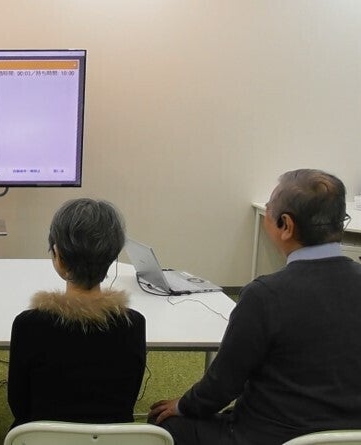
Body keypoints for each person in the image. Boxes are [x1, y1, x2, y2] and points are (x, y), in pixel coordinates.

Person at [149, 169, 361, 445]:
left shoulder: (264, 296)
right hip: (351, 437)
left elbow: (222, 387)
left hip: (269, 436)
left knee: (162, 426)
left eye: (270, 208)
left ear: (286, 225)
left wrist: (182, 405)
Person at [7, 198, 146, 428]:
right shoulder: (134, 324)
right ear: (112, 257)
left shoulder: (28, 324)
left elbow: (19, 405)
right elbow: (127, 402)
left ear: (58, 257)